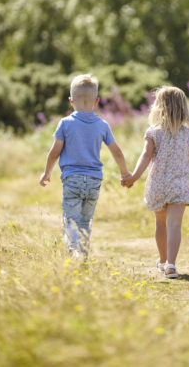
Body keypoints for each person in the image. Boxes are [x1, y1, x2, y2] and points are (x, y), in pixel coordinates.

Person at [40, 74, 131, 257]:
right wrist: (125, 173)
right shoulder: (102, 125)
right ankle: (84, 256)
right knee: (85, 221)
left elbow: (54, 152)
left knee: (71, 220)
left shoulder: (65, 123)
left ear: (71, 101)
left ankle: (74, 251)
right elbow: (117, 152)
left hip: (72, 179)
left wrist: (46, 173)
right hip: (94, 181)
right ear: (96, 101)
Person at [122, 86, 189, 278]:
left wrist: (133, 177)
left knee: (160, 224)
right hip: (179, 186)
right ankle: (171, 265)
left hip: (158, 185)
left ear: (158, 108)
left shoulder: (153, 133)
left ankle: (162, 260)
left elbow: (145, 156)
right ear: (184, 109)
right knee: (174, 225)